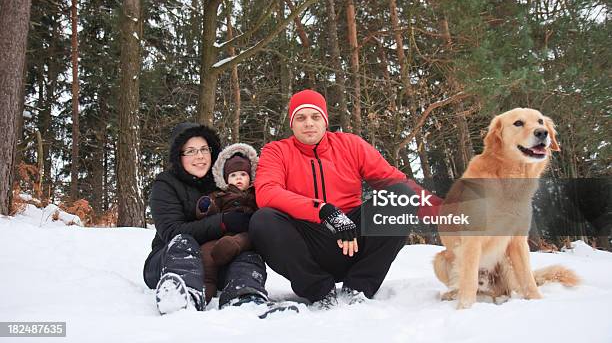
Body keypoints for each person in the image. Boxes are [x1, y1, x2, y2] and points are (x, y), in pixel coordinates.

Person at [249, 89, 443, 309]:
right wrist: (323, 210)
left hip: (355, 236)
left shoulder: (350, 144)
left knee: (402, 196)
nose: (309, 123)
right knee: (263, 219)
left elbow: (393, 180)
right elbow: (267, 192)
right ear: (292, 124)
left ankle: (359, 286)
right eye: (301, 118)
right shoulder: (277, 151)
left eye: (315, 117)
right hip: (309, 239)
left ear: (325, 121)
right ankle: (319, 291)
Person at [142, 123, 268, 315]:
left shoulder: (224, 182)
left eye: (203, 149)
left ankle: (244, 296)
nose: (199, 156)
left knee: (246, 254)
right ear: (179, 155)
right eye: (190, 151)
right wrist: (223, 221)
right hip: (168, 260)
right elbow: (171, 231)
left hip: (216, 259)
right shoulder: (165, 184)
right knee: (183, 241)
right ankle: (183, 295)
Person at [199, 143, 259, 303]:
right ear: (225, 179)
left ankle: (233, 245)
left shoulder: (255, 194)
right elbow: (208, 209)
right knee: (206, 251)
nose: (238, 178)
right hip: (221, 233)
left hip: (245, 234)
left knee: (246, 240)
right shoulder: (220, 195)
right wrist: (205, 206)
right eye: (233, 175)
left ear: (251, 176)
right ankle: (207, 284)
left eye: (242, 174)